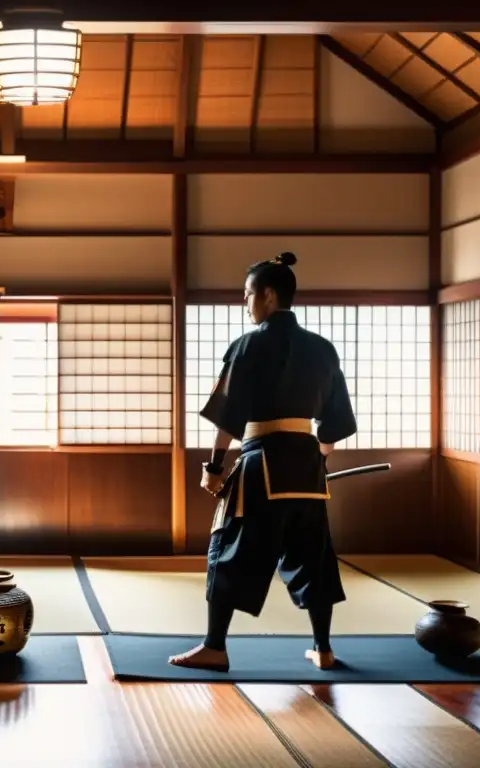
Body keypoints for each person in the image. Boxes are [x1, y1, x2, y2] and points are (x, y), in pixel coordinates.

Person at [169, 251, 357, 672]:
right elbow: (333, 427)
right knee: (314, 555)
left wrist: (215, 469)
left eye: (248, 294)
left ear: (268, 296)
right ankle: (323, 650)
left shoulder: (248, 345)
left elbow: (228, 416)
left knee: (229, 550)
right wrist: (317, 462)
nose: (245, 303)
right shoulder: (323, 349)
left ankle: (215, 647)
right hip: (307, 470)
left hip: (261, 467)